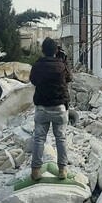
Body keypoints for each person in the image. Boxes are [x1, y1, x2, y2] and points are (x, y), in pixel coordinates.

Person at [29, 38, 72, 180]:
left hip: (42, 106)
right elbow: (69, 78)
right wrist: (63, 61)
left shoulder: (38, 65)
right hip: (59, 106)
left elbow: (33, 80)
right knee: (61, 138)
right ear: (56, 51)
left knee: (39, 139)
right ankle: (62, 169)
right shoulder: (61, 65)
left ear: (42, 50)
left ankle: (36, 171)